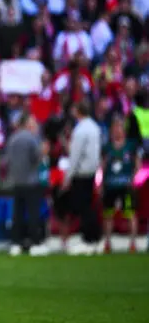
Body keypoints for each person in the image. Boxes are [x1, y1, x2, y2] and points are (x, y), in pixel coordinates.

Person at [63, 101, 102, 255]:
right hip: (91, 172)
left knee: (82, 207)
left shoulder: (80, 130)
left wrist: (68, 176)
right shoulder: (95, 127)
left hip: (81, 173)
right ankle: (92, 237)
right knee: (87, 205)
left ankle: (89, 238)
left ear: (78, 111)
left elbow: (75, 154)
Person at [6, 113, 48, 256]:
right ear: (27, 124)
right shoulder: (32, 139)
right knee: (33, 214)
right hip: (31, 182)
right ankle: (34, 243)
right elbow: (35, 158)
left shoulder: (12, 139)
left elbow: (8, 160)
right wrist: (43, 151)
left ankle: (16, 243)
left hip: (17, 182)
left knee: (17, 214)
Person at [101, 116, 142, 253]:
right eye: (115, 128)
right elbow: (103, 165)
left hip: (126, 185)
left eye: (119, 128)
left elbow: (138, 164)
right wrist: (101, 182)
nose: (117, 131)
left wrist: (133, 179)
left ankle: (133, 244)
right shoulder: (107, 147)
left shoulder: (131, 146)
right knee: (108, 214)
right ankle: (107, 243)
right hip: (110, 185)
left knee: (130, 213)